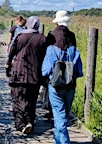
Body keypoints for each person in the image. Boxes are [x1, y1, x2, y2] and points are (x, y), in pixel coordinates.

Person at [42, 10, 83, 143]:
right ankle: (58, 141)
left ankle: (64, 142)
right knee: (63, 115)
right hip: (70, 84)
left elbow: (45, 71)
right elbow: (79, 70)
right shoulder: (74, 49)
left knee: (59, 114)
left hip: (55, 85)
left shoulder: (51, 48)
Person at [5, 16, 46, 134]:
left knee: (17, 98)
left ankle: (21, 123)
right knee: (32, 99)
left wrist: (8, 64)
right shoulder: (42, 39)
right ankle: (30, 121)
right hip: (34, 74)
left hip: (18, 72)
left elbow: (11, 52)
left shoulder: (20, 36)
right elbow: (44, 57)